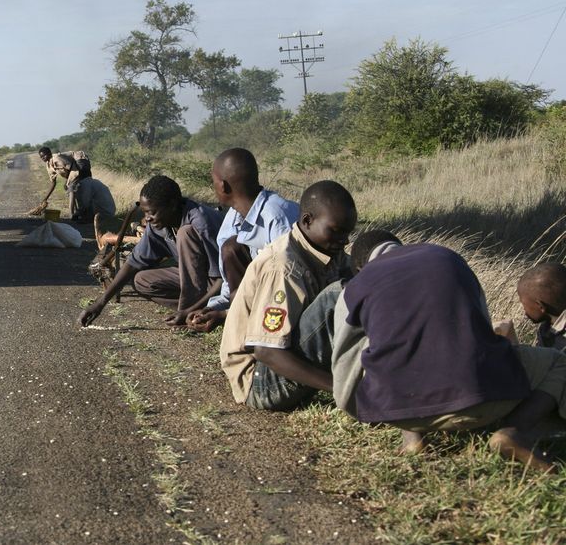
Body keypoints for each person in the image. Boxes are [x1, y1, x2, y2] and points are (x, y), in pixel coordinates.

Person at [331, 235, 566, 471]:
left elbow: (343, 371)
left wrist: (368, 409)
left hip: (396, 409)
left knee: (398, 346)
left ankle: (414, 440)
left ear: (360, 267)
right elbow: (480, 333)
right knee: (561, 363)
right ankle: (515, 430)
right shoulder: (449, 259)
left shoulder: (354, 288)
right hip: (483, 400)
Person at [218, 180, 356, 411]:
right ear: (307, 221)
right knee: (339, 296)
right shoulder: (283, 268)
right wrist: (340, 387)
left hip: (286, 356)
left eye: (348, 233)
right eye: (336, 231)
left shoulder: (329, 250)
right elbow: (266, 351)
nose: (344, 241)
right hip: (260, 380)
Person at [78, 175, 221, 327]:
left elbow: (223, 279)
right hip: (199, 282)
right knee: (142, 281)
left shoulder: (200, 222)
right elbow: (134, 263)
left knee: (185, 234)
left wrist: (189, 309)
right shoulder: (159, 225)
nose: (147, 219)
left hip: (222, 285)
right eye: (145, 213)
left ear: (172, 205)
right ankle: (194, 310)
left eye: (151, 213)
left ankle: (194, 313)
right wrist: (100, 303)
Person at [186, 148, 299, 333]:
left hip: (290, 305)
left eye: (213, 182)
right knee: (232, 247)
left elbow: (289, 289)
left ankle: (255, 332)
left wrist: (226, 315)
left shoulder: (277, 219)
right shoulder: (231, 220)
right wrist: (212, 309)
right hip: (261, 298)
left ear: (223, 186)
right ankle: (243, 322)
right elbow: (229, 288)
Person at [514, 262, 566, 351]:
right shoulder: (548, 327)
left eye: (523, 304)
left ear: (541, 306)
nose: (524, 310)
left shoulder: (561, 341)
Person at [33, 147, 91, 219]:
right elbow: (53, 183)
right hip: (72, 167)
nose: (43, 158)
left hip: (80, 160)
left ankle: (72, 213)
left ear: (49, 154)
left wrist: (68, 182)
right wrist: (45, 198)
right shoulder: (48, 165)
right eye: (41, 157)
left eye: (44, 155)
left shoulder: (57, 158)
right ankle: (77, 212)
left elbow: (71, 166)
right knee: (69, 188)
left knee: (72, 188)